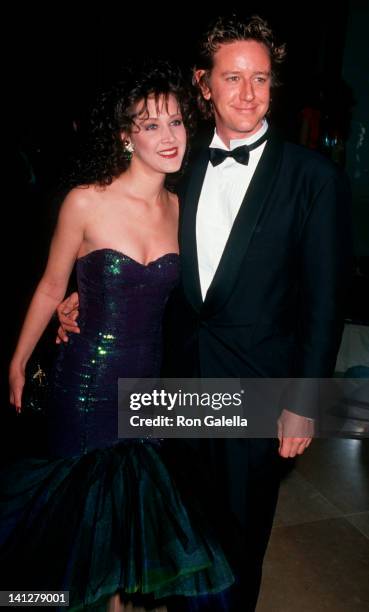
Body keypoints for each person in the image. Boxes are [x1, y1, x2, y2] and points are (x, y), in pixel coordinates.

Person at [56, 15, 352, 612]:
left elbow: (326, 304)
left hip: (258, 392)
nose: (247, 93)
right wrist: (87, 291)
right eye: (232, 78)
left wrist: (305, 403)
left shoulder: (313, 178)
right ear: (204, 84)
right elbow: (130, 238)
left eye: (261, 79)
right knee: (177, 537)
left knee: (239, 543)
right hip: (172, 387)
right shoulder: (177, 165)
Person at [2, 61, 234, 612]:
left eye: (176, 122)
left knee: (128, 534)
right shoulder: (86, 200)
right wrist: (17, 361)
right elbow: (48, 286)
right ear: (125, 135)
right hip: (85, 385)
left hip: (148, 387)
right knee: (80, 531)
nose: (169, 136)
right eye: (151, 125)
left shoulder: (181, 208)